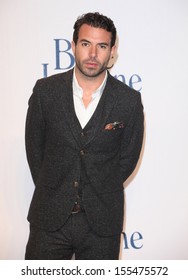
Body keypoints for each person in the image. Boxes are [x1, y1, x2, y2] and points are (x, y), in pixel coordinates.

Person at [25, 12, 144, 260]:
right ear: (73, 46)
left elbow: (126, 161)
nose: (92, 54)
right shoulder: (45, 92)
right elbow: (35, 151)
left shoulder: (129, 101)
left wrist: (98, 186)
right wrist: (57, 188)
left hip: (102, 225)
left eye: (101, 46)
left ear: (112, 51)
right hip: (49, 219)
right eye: (85, 44)